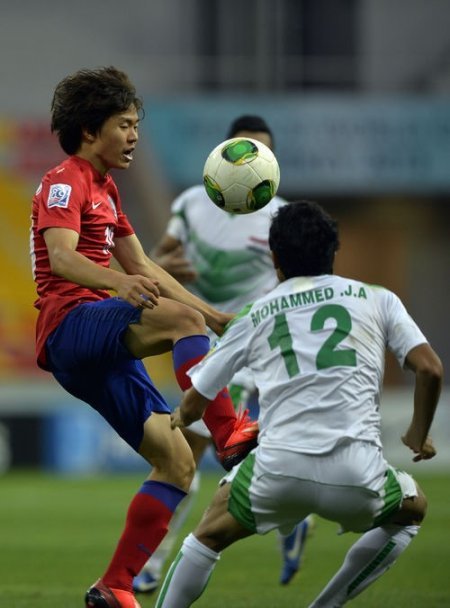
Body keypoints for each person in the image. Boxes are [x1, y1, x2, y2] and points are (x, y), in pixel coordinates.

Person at [30, 66, 258, 608]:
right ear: (90, 130)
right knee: (180, 323)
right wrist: (120, 283)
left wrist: (211, 314)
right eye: (125, 124)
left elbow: (146, 267)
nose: (135, 135)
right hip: (70, 324)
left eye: (137, 124)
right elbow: (62, 257)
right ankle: (227, 433)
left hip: (97, 348)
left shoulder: (107, 190)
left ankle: (114, 586)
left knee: (178, 462)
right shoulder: (65, 179)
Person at [153, 200, 443, 608]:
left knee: (206, 536)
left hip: (277, 471)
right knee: (413, 510)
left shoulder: (256, 314)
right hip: (357, 473)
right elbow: (429, 369)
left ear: (274, 258)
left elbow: (197, 399)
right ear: (333, 251)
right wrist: (418, 431)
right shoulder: (379, 299)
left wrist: (180, 417)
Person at [132, 115, 312, 595]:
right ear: (226, 152)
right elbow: (156, 256)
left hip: (252, 340)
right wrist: (162, 264)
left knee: (187, 446)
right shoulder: (193, 203)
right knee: (214, 449)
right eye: (246, 148)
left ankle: (153, 561)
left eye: (263, 152)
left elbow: (301, 285)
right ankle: (293, 515)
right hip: (200, 335)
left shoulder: (283, 216)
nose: (253, 159)